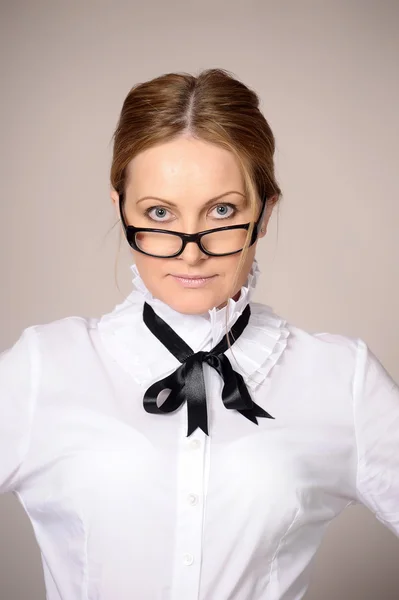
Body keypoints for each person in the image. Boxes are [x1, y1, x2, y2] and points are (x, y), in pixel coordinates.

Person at [1, 68, 398, 600]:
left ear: (264, 212)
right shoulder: (43, 367)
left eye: (222, 211)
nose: (191, 250)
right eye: (160, 213)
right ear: (121, 209)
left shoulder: (341, 378)